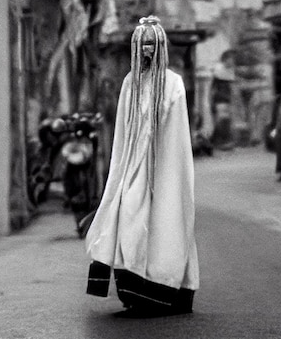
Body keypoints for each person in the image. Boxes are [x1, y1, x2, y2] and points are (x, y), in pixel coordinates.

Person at [85, 16, 199, 318]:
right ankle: (132, 292)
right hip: (132, 167)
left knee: (165, 225)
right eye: (142, 44)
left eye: (152, 44)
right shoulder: (130, 82)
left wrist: (166, 173)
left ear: (161, 46)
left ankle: (161, 292)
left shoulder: (174, 84)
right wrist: (124, 167)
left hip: (164, 171)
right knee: (128, 218)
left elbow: (176, 138)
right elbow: (123, 129)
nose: (147, 50)